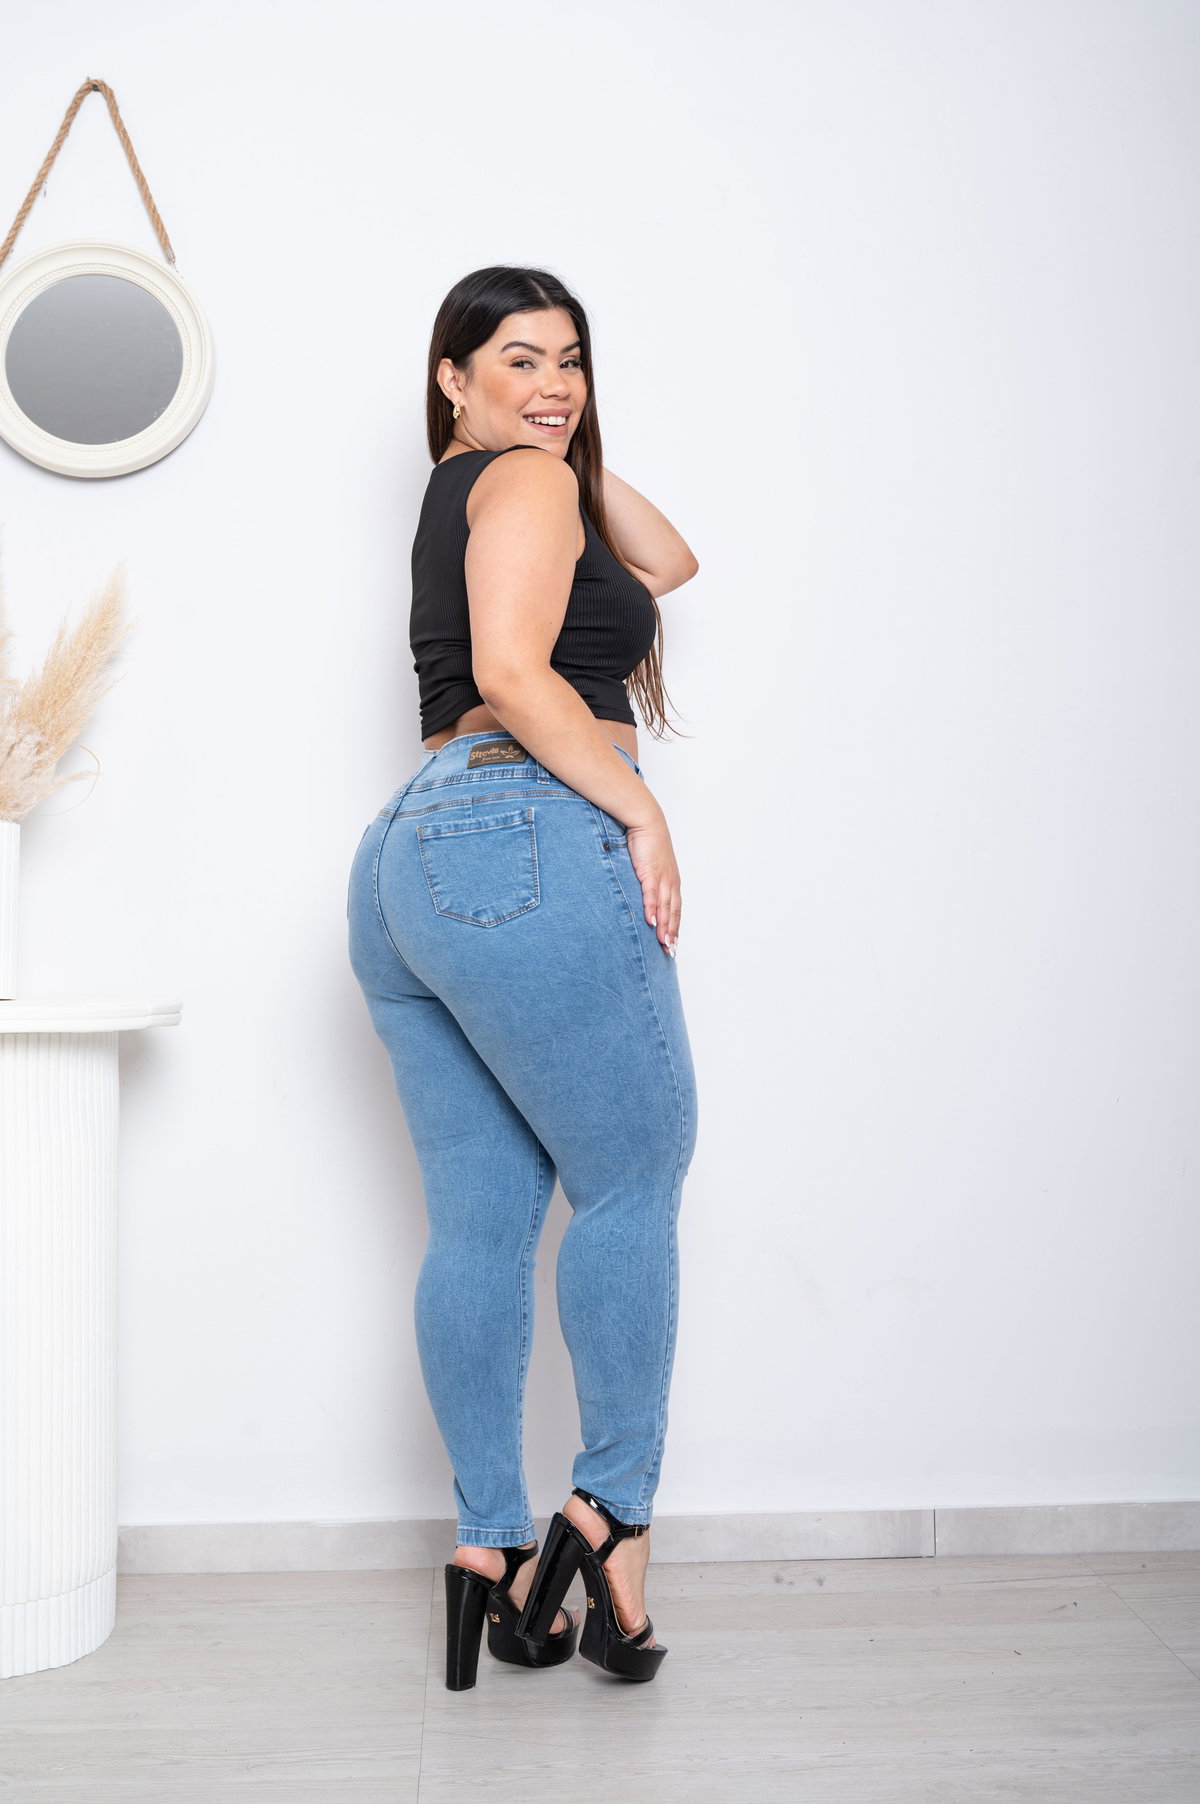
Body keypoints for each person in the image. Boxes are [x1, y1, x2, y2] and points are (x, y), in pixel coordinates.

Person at [346, 265, 699, 1688]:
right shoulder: (522, 488)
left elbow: (671, 561)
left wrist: (559, 439)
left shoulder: (497, 485)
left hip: (407, 860)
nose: (554, 385)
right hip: (527, 832)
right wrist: (641, 808)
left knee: (481, 1226)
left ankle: (488, 1544)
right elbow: (509, 665)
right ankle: (609, 1519)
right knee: (632, 1179)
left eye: (571, 361)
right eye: (517, 359)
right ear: (450, 373)